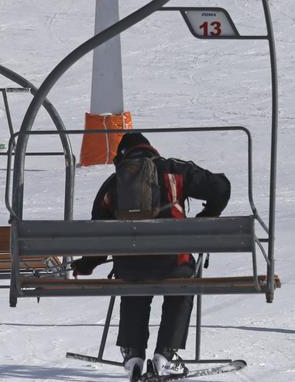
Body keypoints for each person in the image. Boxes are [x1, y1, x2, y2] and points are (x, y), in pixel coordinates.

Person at [71, 132, 231, 381]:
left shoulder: (114, 183)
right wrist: (204, 219)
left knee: (132, 282)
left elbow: (99, 236)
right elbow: (221, 188)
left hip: (131, 268)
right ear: (151, 149)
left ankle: (133, 355)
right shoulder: (173, 171)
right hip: (174, 263)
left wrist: (88, 264)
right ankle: (165, 356)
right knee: (182, 285)